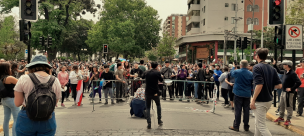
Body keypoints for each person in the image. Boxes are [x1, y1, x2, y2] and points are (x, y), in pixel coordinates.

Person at [14, 55, 61, 136]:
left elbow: (17, 103)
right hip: (47, 118)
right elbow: (55, 102)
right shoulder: (55, 80)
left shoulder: (24, 78)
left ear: (31, 66)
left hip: (27, 117)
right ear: (47, 66)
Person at [250, 48, 282, 136]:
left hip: (260, 100)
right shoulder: (272, 69)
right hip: (268, 99)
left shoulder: (257, 67)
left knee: (261, 126)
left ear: (257, 56)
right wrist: (269, 85)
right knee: (258, 124)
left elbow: (259, 85)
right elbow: (279, 85)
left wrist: (253, 100)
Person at [273, 60, 301, 125]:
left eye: (284, 64)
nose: (283, 65)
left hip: (289, 93)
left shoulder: (292, 73)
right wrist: (274, 65)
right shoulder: (286, 71)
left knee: (288, 106)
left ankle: (288, 119)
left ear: (287, 65)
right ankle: (281, 117)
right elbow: (279, 71)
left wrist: (291, 88)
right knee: (281, 104)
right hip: (283, 91)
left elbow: (299, 82)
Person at [228, 60, 253, 132]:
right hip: (247, 94)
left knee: (238, 110)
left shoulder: (237, 71)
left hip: (238, 93)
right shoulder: (251, 73)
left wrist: (233, 66)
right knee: (246, 111)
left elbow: (231, 73)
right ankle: (246, 126)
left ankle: (236, 126)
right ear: (247, 65)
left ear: (241, 65)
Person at [142, 61, 163, 129]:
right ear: (157, 67)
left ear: (151, 66)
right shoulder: (157, 73)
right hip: (155, 91)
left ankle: (149, 123)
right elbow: (161, 79)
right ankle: (159, 120)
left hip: (148, 91)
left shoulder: (147, 72)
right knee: (158, 105)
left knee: (148, 107)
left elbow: (142, 76)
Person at [0, 63, 20, 136]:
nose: (10, 69)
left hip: (4, 100)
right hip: (12, 100)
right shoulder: (9, 78)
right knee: (16, 119)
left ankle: (6, 134)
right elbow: (21, 83)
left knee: (6, 119)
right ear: (6, 69)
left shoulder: (1, 78)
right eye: (9, 68)